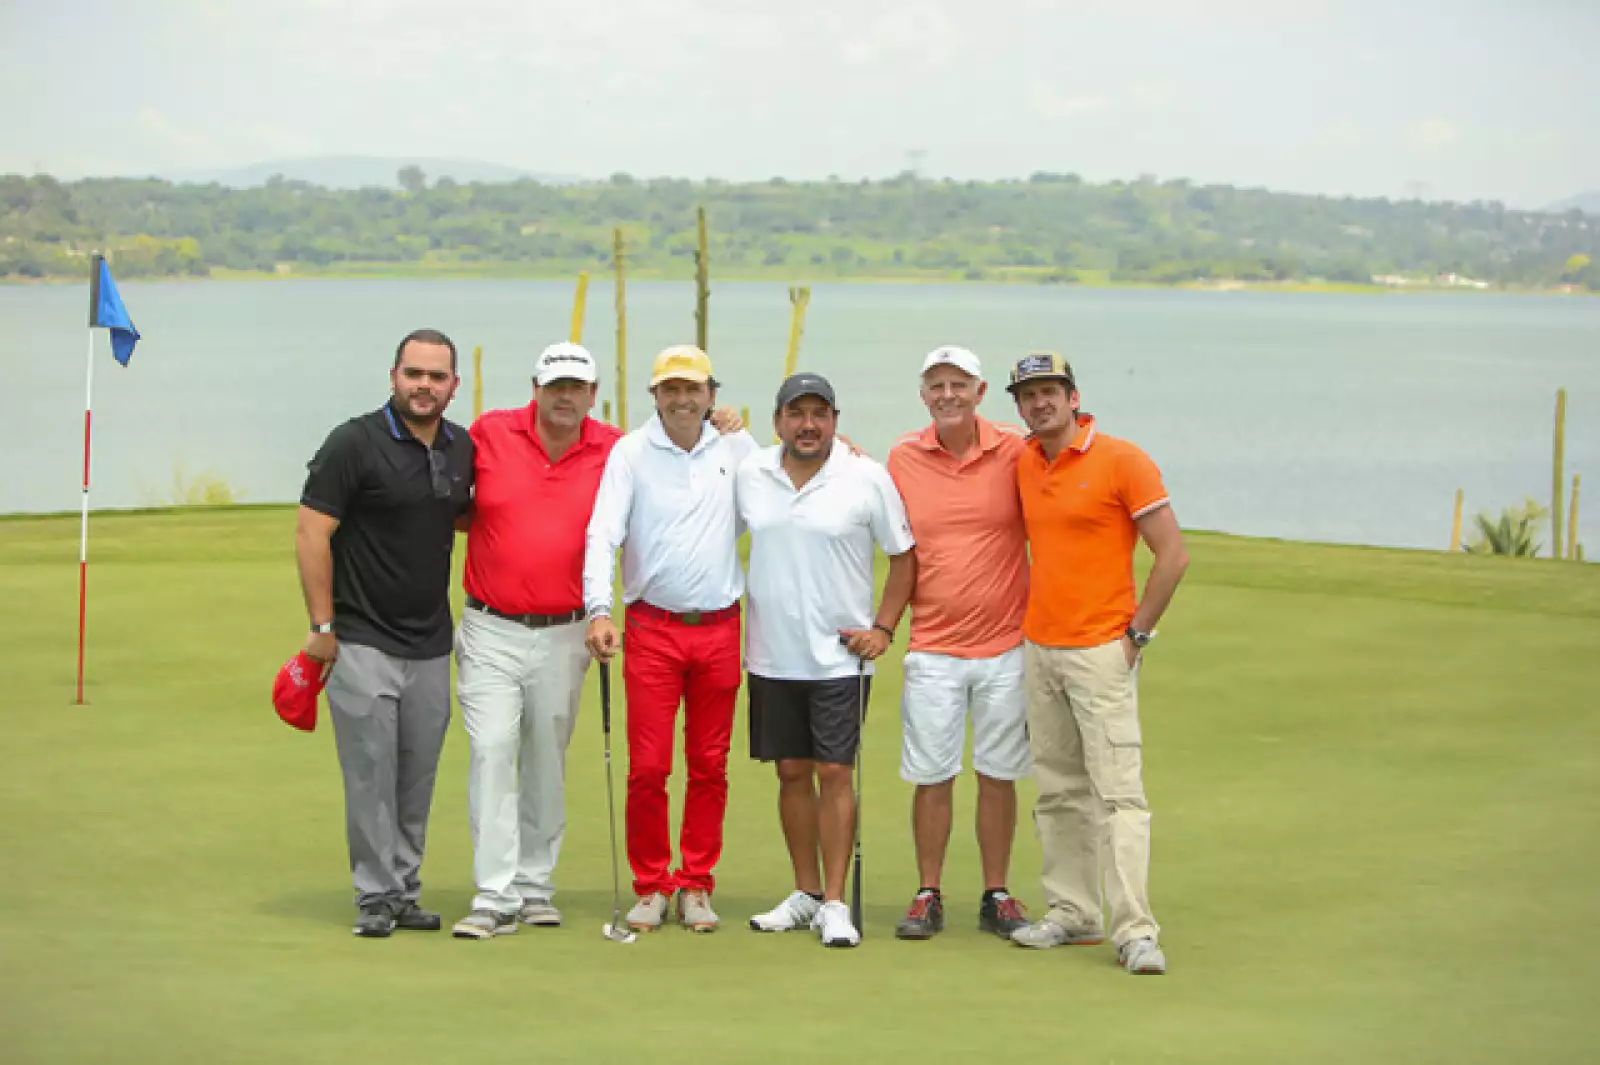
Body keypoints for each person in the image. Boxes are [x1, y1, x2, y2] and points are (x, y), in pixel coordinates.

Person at [1005, 351, 1189, 975]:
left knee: (1118, 795)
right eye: (1028, 395)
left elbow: (1173, 555)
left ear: (1074, 395)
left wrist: (1137, 635)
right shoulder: (1025, 460)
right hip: (1040, 647)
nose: (1039, 403)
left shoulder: (1122, 459)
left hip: (1100, 650)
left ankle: (1135, 930)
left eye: (1050, 391)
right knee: (1058, 790)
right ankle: (1072, 911)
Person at [295, 327, 473, 938]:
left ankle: (404, 889)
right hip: (362, 638)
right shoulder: (354, 442)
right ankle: (375, 896)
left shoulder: (460, 448)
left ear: (454, 385)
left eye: (437, 376)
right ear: (393, 376)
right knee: (371, 774)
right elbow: (311, 532)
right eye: (414, 374)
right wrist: (322, 626)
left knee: (416, 776)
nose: (424, 386)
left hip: (429, 644)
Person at [583, 345, 757, 934]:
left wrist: (849, 457)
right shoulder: (630, 453)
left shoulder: (736, 448)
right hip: (653, 629)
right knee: (649, 767)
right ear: (655, 396)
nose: (683, 400)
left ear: (712, 394)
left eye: (694, 389)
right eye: (671, 390)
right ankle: (652, 883)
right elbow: (603, 533)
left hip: (719, 628)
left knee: (709, 765)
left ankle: (697, 884)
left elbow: (785, 491)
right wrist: (598, 609)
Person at [450, 342, 622, 940]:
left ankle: (534, 887)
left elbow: (686, 465)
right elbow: (439, 491)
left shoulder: (615, 448)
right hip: (489, 626)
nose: (566, 397)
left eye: (577, 387)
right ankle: (493, 894)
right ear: (536, 387)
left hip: (567, 630)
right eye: (556, 386)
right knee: (493, 750)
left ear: (593, 394)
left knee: (546, 759)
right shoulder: (489, 435)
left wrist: (722, 425)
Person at [738, 372, 917, 949]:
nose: (808, 425)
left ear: (835, 421)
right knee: (791, 772)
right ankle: (806, 893)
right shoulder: (751, 472)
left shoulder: (865, 477)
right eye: (797, 414)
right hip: (770, 654)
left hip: (840, 658)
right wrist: (721, 425)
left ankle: (836, 903)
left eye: (820, 414)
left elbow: (904, 558)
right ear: (778, 421)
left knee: (834, 771)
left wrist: (883, 628)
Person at [885, 346, 1032, 941]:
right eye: (936, 384)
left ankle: (996, 893)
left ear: (980, 390)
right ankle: (929, 892)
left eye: (959, 384)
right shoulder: (902, 457)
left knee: (999, 773)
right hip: (933, 647)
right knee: (933, 774)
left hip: (1006, 645)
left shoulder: (1015, 451)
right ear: (924, 394)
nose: (947, 394)